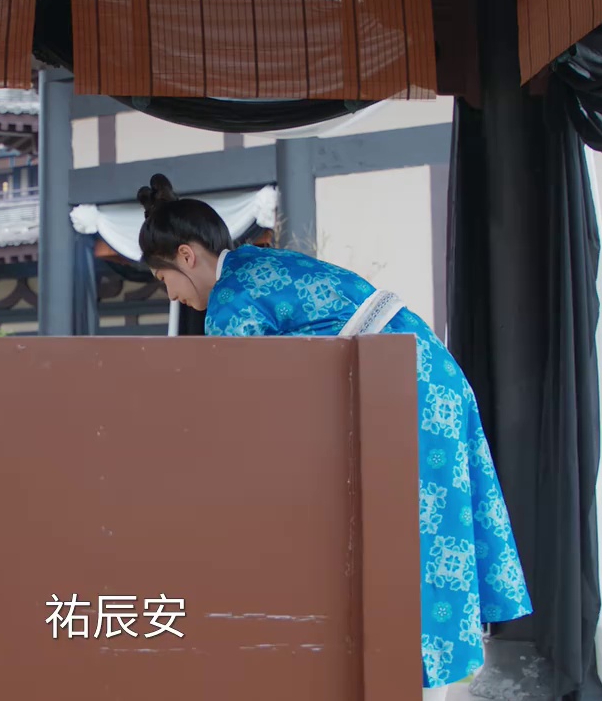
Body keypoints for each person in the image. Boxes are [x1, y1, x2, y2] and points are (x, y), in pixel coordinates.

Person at [136, 174, 530, 697]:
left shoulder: (231, 299)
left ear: (186, 257)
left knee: (418, 532)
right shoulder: (258, 263)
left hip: (404, 389)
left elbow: (241, 412)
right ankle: (429, 674)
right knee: (433, 528)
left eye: (164, 281)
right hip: (427, 372)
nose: (173, 296)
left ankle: (422, 679)